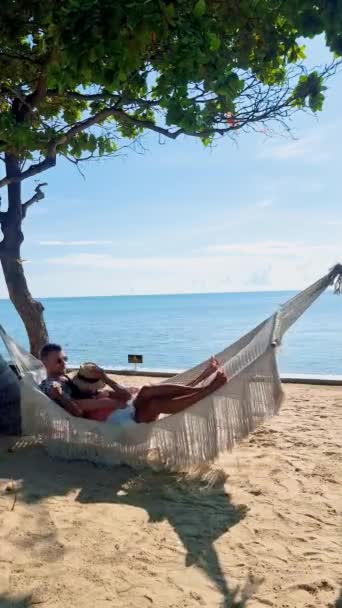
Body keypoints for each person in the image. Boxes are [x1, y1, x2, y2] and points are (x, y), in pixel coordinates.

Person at [40, 343, 227, 425]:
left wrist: (104, 378)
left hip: (123, 411)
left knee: (148, 393)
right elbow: (76, 414)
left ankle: (203, 384)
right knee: (153, 400)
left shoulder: (69, 381)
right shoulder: (51, 386)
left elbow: (123, 396)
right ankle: (206, 387)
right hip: (119, 421)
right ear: (45, 363)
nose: (64, 364)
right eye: (58, 361)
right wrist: (59, 397)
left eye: (65, 359)